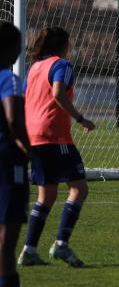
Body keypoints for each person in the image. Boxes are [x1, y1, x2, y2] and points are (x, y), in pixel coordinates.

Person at [17, 27, 95, 267]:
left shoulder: (34, 69)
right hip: (54, 135)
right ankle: (61, 244)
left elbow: (25, 98)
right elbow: (58, 92)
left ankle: (29, 250)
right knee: (79, 188)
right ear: (65, 45)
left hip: (34, 135)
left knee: (47, 195)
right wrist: (81, 119)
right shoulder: (61, 65)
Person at [0, 21, 31, 287]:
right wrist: (27, 148)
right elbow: (13, 119)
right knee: (7, 239)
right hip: (7, 161)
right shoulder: (8, 78)